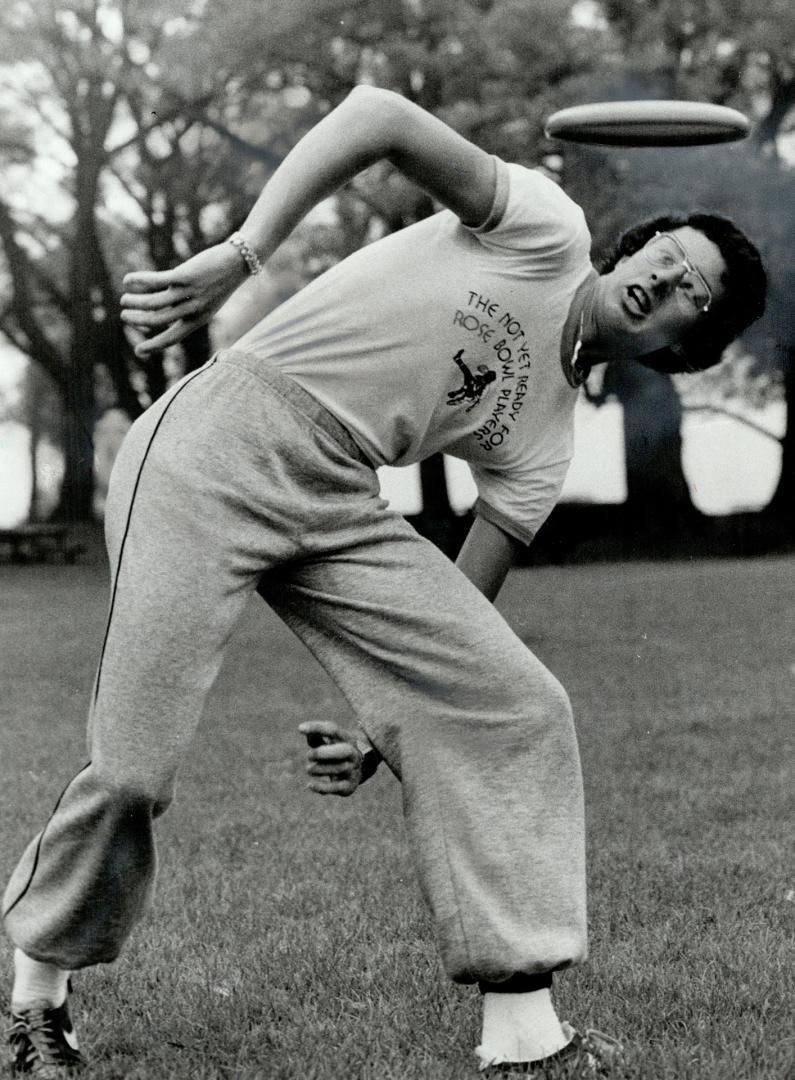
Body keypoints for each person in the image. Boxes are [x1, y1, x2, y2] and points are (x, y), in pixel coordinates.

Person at [3, 85, 766, 1077]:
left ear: (682, 350)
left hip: (335, 494)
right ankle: (36, 1004)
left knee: (513, 702)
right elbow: (380, 117)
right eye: (668, 259)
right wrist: (239, 255)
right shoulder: (542, 229)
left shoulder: (545, 444)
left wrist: (380, 727)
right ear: (631, 249)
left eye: (690, 298)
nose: (665, 284)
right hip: (217, 440)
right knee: (134, 769)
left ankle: (525, 1038)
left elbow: (463, 607)